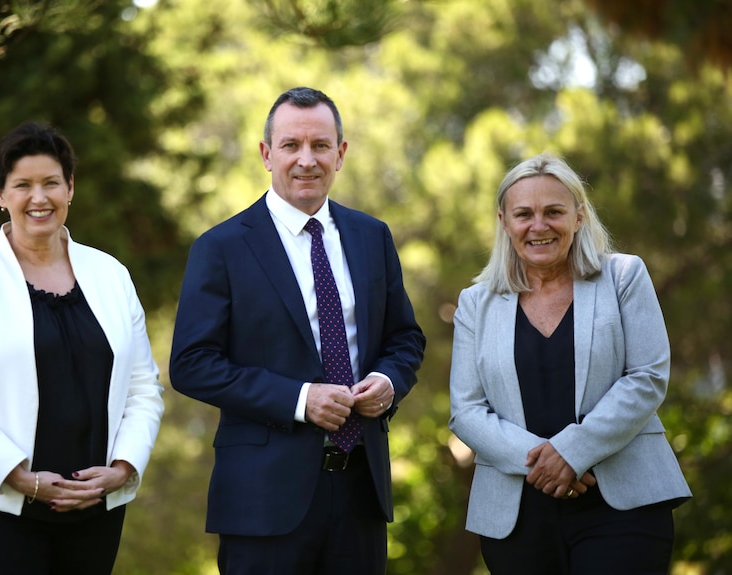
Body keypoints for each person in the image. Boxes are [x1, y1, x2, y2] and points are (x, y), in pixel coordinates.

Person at [169, 86, 425, 575]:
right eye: (291, 146)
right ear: (267, 155)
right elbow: (191, 364)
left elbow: (405, 338)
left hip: (361, 494)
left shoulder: (373, 236)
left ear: (340, 154)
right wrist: (300, 398)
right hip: (262, 502)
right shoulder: (220, 247)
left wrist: (389, 383)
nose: (306, 160)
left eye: (320, 146)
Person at [0, 122, 165, 575]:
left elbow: (143, 388)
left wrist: (123, 468)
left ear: (70, 189)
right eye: (23, 185)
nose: (39, 197)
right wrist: (21, 478)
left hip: (95, 505)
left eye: (51, 183)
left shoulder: (111, 275)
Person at [448, 153, 692, 574]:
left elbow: (647, 377)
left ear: (579, 217)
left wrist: (573, 452)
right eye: (523, 214)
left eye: (554, 212)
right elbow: (466, 411)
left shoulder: (624, 277)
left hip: (622, 504)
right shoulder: (475, 303)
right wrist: (548, 462)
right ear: (504, 222)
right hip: (516, 514)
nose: (538, 226)